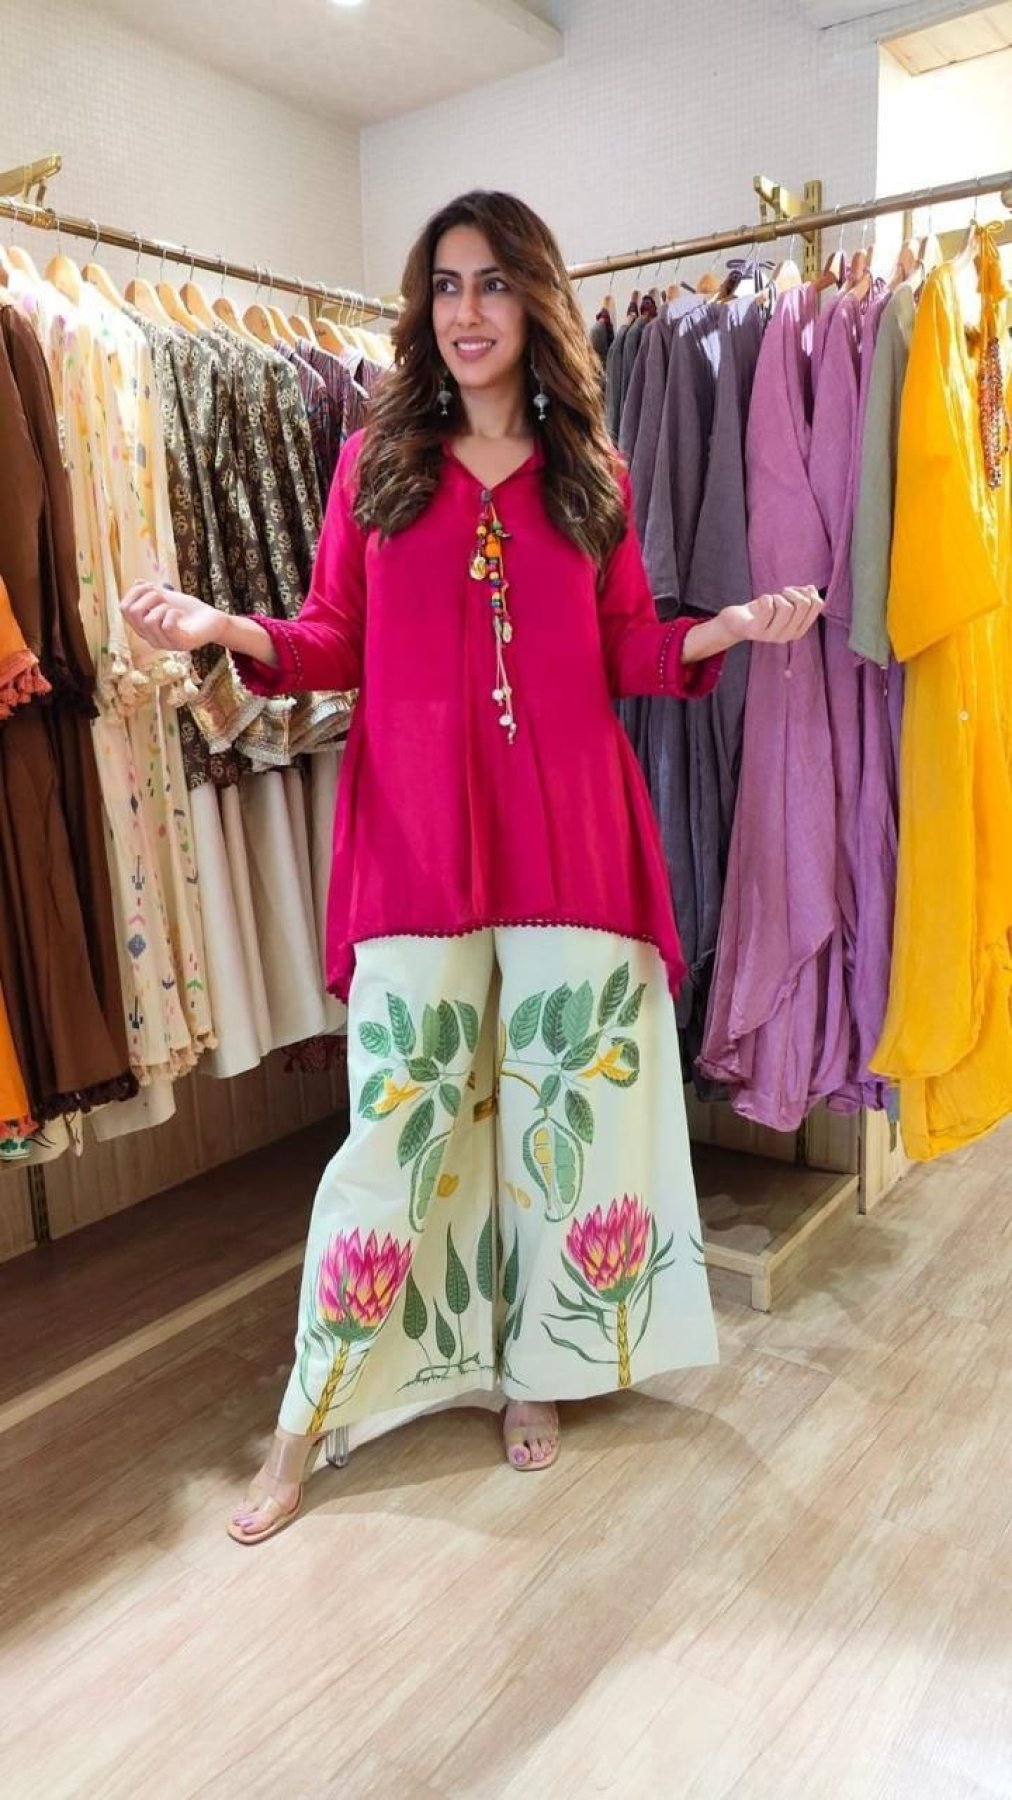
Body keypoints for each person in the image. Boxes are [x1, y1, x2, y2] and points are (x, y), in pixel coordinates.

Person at [123, 191, 821, 1544]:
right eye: (445, 285)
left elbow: (624, 649)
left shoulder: (592, 476)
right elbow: (331, 639)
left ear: (536, 301)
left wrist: (723, 627)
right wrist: (224, 626)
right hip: (416, 847)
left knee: (563, 1130)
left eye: (493, 282)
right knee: (397, 1134)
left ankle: (535, 1368)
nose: (466, 310)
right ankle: (304, 1422)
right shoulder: (374, 464)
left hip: (573, 842)